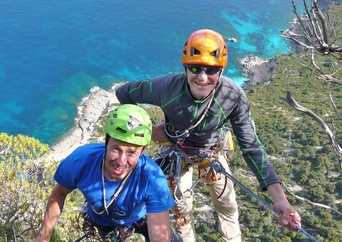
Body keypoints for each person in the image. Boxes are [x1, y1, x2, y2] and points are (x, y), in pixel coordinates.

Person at [115, 29, 302, 242]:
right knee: (181, 210)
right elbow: (123, 92)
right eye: (195, 68)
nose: (202, 77)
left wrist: (280, 200)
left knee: (227, 206)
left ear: (221, 71)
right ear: (185, 67)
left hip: (210, 152)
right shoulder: (166, 88)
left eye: (211, 70)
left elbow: (251, 146)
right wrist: (147, 129)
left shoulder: (232, 96)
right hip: (176, 151)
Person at [35, 104, 178, 242]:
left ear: (143, 151)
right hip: (102, 219)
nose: (121, 162)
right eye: (116, 149)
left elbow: (160, 237)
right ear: (106, 143)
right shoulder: (80, 161)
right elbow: (59, 193)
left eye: (131, 153)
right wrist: (44, 236)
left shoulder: (152, 177)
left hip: (141, 217)